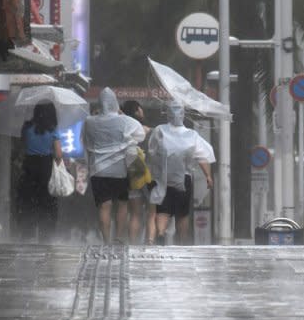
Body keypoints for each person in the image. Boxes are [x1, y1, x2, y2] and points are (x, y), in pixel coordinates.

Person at [148, 100, 214, 245]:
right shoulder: (191, 135)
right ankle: (182, 242)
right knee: (182, 214)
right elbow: (202, 156)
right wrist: (208, 176)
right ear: (183, 115)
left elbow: (152, 151)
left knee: (163, 210)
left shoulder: (159, 130)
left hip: (162, 177)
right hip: (184, 179)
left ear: (168, 114)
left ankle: (160, 233)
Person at [84, 88, 146, 243]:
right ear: (115, 103)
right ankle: (118, 238)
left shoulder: (89, 121)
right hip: (119, 170)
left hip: (98, 170)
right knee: (122, 204)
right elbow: (141, 134)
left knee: (104, 206)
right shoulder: (124, 121)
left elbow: (85, 142)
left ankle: (106, 241)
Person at [16, 102, 63, 242]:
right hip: (46, 167)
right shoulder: (52, 129)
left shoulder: (27, 127)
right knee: (47, 202)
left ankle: (28, 232)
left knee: (29, 200)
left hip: (29, 166)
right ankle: (45, 234)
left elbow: (22, 146)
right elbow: (59, 154)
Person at [121, 100, 155, 245]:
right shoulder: (150, 131)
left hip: (132, 174)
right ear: (137, 111)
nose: (142, 111)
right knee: (151, 212)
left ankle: (133, 243)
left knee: (134, 213)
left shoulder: (124, 131)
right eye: (140, 109)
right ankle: (150, 242)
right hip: (150, 176)